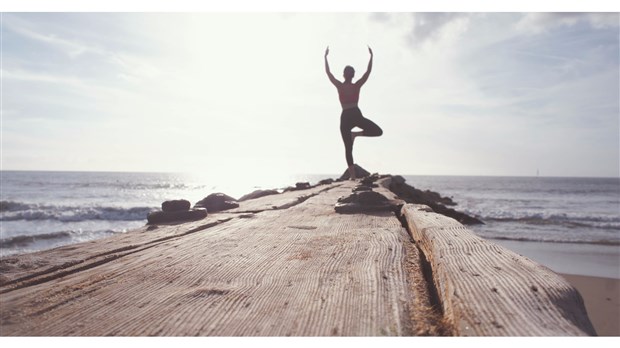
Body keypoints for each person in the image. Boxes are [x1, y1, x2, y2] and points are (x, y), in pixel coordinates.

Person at [324, 45, 383, 180]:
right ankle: (353, 176)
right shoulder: (353, 85)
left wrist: (325, 57)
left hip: (349, 115)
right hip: (352, 115)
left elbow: (329, 73)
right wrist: (371, 57)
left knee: (348, 147)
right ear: (349, 74)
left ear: (345, 74)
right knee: (350, 146)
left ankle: (353, 176)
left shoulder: (345, 85)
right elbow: (367, 73)